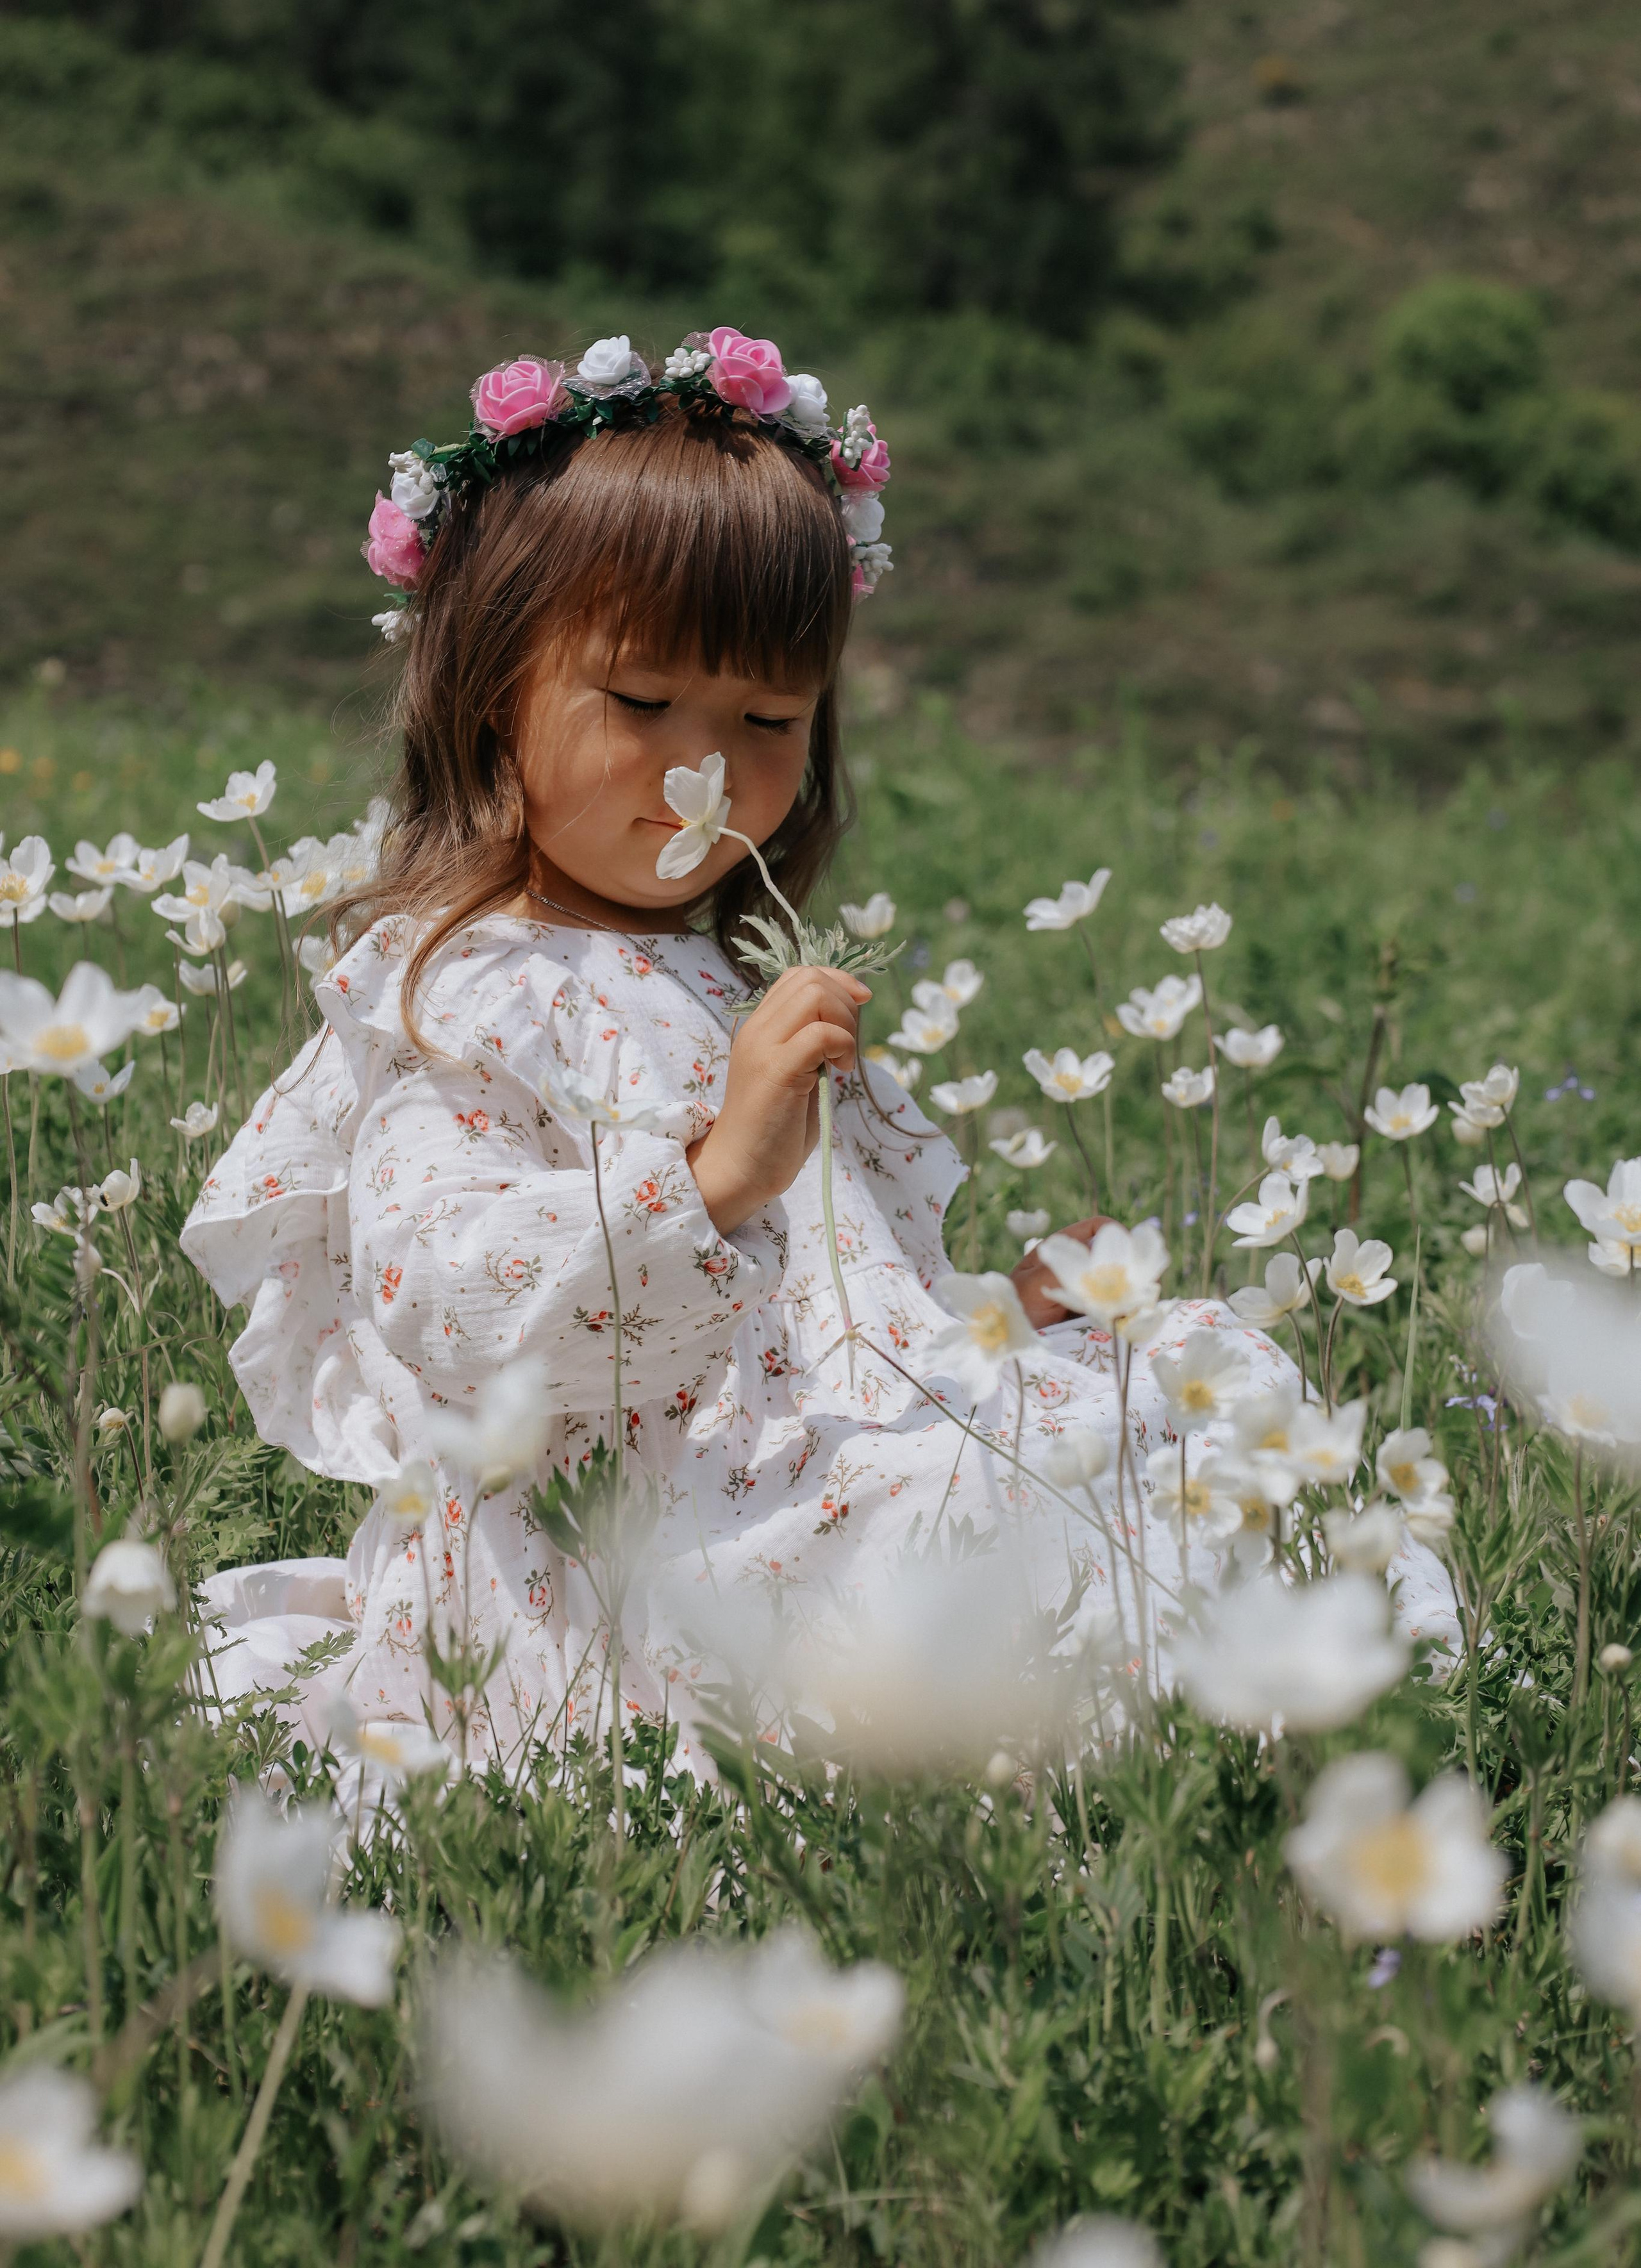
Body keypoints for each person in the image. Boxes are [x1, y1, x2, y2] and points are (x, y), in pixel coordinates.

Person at [183, 330, 1453, 1789]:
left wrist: (1004, 1318)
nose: (697, 763)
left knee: (1170, 1389)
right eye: (642, 703)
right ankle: (1143, 1748)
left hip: (802, 1459)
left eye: (765, 720)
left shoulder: (733, 980)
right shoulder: (467, 993)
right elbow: (453, 1300)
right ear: (489, 698)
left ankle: (1296, 1743)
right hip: (632, 1525)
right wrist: (706, 1180)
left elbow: (835, 1309)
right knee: (978, 1529)